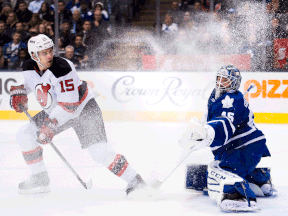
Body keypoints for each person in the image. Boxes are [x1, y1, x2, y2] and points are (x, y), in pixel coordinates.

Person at [9, 34, 146, 195]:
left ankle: (135, 181)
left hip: (83, 110)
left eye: (50, 51)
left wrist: (50, 125)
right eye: (43, 53)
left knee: (100, 152)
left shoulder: (62, 68)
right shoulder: (28, 66)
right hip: (55, 111)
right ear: (33, 56)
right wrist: (21, 92)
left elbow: (70, 105)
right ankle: (39, 178)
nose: (49, 56)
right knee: (25, 134)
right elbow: (32, 83)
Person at [179, 65, 273, 212]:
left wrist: (207, 132)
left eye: (225, 80)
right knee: (223, 166)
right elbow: (211, 115)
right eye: (219, 78)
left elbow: (225, 123)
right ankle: (259, 178)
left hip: (246, 147)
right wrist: (201, 127)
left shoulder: (232, 99)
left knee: (226, 168)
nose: (220, 82)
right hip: (235, 147)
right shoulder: (216, 94)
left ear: (234, 83)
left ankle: (237, 195)